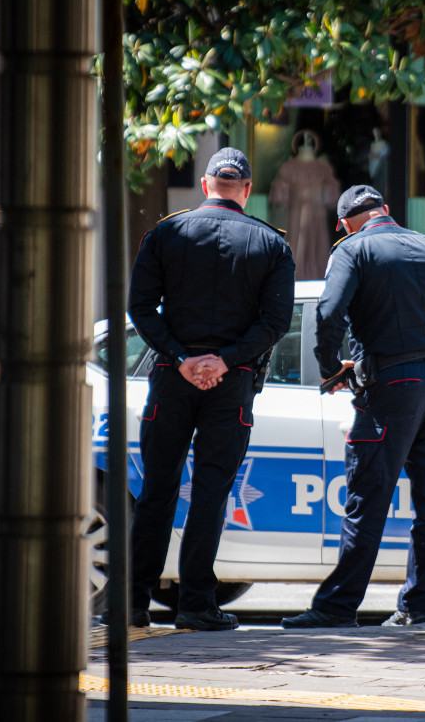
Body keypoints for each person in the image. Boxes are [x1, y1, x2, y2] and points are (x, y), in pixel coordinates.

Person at [281, 185, 425, 629]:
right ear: (387, 211)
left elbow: (329, 313)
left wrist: (331, 369)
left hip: (393, 383)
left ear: (346, 223)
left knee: (367, 496)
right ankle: (416, 606)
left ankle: (337, 608)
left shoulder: (352, 250)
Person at [120, 147, 295, 631]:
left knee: (157, 490)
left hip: (172, 377)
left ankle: (133, 602)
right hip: (231, 383)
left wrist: (180, 357)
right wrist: (224, 360)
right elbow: (276, 321)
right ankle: (196, 604)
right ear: (246, 188)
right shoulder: (270, 243)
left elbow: (140, 307)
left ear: (204, 184)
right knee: (211, 492)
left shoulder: (166, 232)